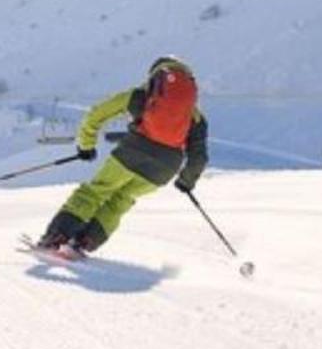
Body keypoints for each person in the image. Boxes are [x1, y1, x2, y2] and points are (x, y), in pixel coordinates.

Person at [35, 56, 208, 255]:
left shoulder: (140, 95)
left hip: (133, 153)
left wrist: (86, 146)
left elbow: (97, 114)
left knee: (94, 192)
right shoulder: (195, 117)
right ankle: (85, 241)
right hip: (164, 170)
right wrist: (187, 181)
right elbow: (199, 157)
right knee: (120, 201)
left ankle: (57, 236)